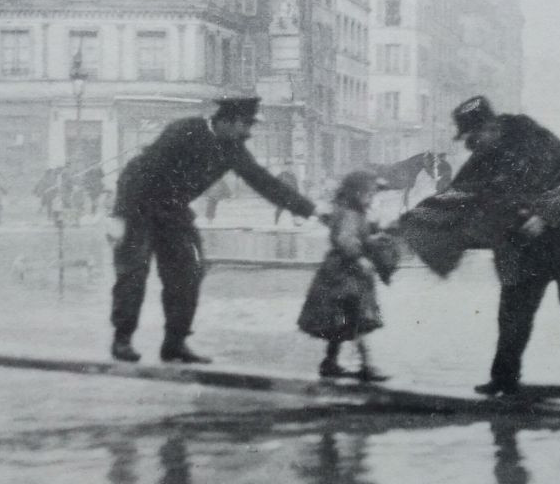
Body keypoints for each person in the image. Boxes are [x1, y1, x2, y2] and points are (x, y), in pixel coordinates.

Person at [402, 96, 560, 396]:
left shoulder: (537, 141)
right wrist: (412, 221)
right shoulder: (484, 155)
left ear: (491, 127)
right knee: (514, 310)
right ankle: (504, 377)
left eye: (473, 136)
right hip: (527, 245)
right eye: (467, 138)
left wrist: (545, 213)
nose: (471, 143)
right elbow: (459, 195)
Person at [110, 97, 318, 364]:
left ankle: (174, 344)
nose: (248, 132)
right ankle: (122, 340)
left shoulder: (233, 148)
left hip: (174, 212)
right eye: (245, 125)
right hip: (139, 208)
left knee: (188, 273)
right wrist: (120, 215)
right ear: (226, 121)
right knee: (133, 274)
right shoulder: (185, 129)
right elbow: (138, 170)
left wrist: (310, 210)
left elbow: (264, 182)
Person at [298, 171, 397, 383]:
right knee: (355, 318)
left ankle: (330, 362)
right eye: (368, 193)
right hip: (345, 274)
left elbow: (351, 236)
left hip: (339, 273)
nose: (371, 197)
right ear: (356, 192)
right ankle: (366, 365)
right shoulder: (351, 213)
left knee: (341, 319)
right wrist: (360, 257)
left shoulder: (350, 211)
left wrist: (371, 237)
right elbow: (346, 239)